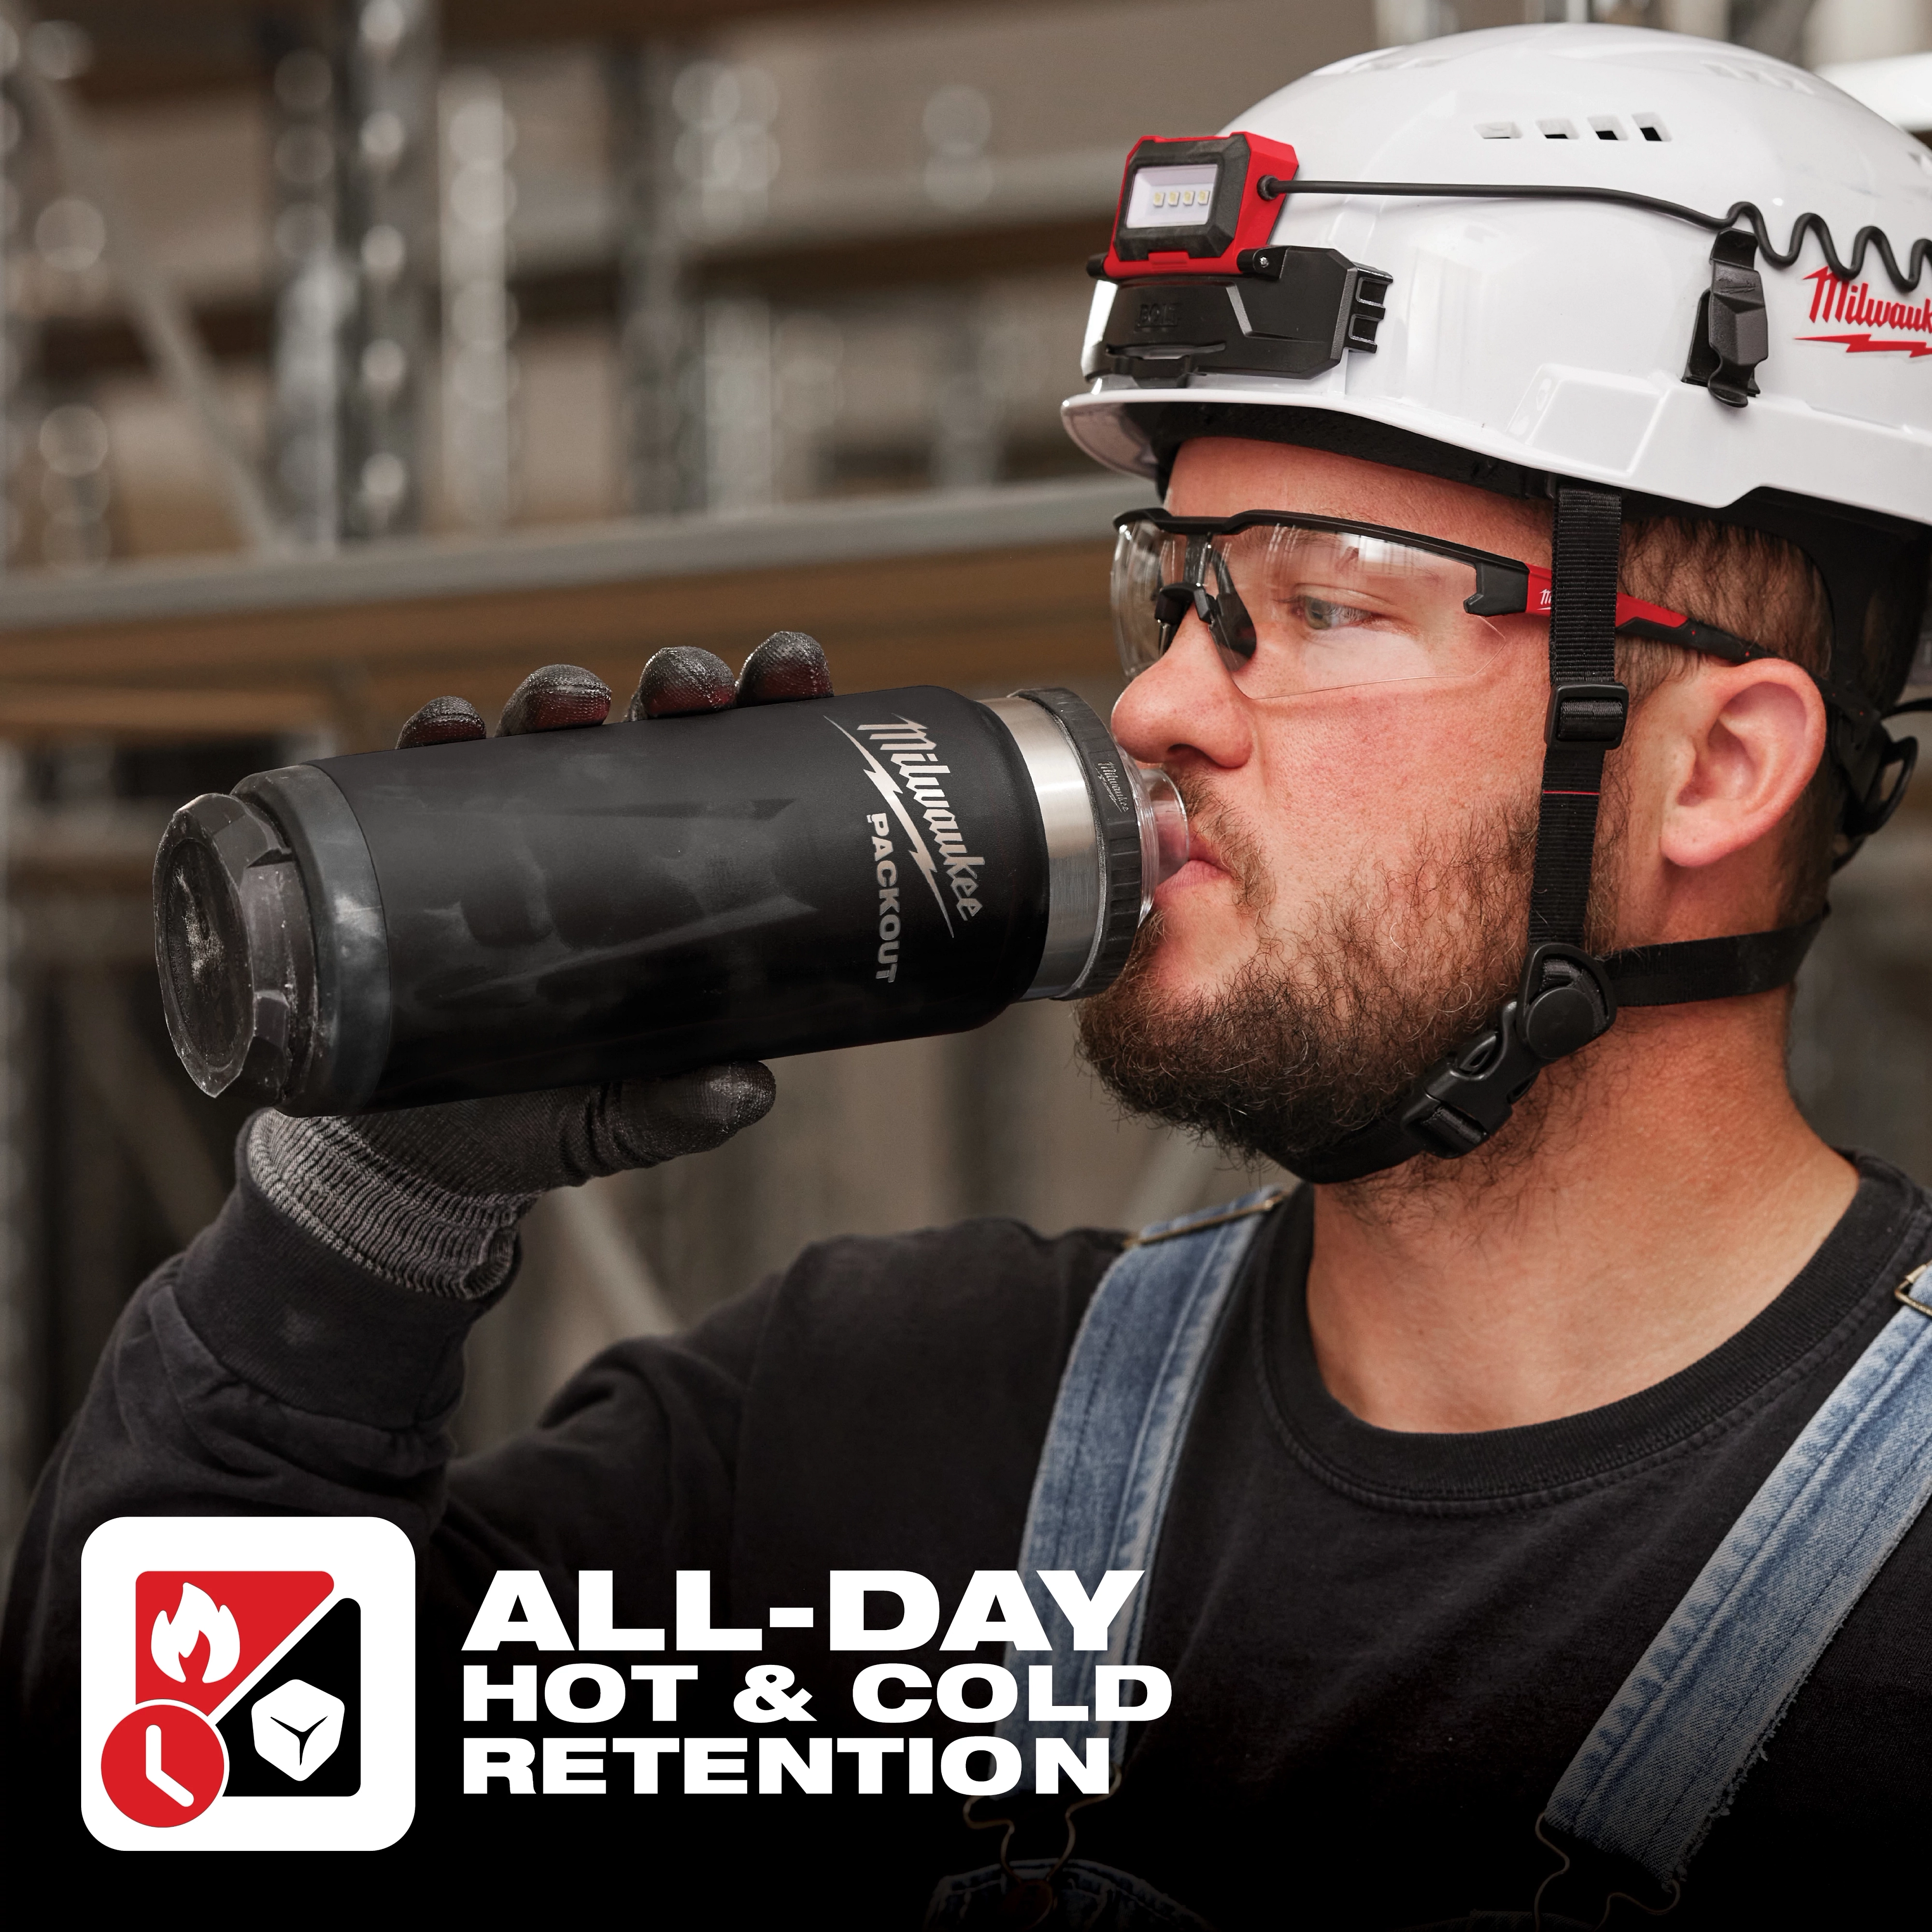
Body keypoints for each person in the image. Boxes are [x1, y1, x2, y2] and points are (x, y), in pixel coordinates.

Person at [7, 22, 1932, 1927]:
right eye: (1176, 592)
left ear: (1719, 765)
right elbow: (181, 1804)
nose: (1163, 702)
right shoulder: (875, 1447)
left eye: (1320, 605)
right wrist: (373, 1207)